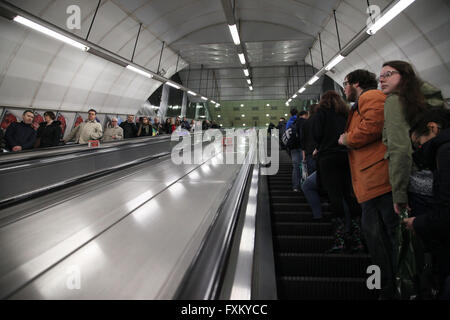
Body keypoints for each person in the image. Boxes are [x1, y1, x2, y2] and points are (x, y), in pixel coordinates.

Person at [338, 69, 398, 299]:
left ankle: (389, 288)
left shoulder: (370, 97)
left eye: (345, 84)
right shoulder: (364, 100)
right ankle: (387, 285)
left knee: (379, 237)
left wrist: (347, 138)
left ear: (356, 83)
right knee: (378, 236)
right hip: (372, 179)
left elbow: (373, 125)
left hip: (377, 181)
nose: (344, 89)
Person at [407, 108, 450, 299]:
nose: (420, 150)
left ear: (432, 128)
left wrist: (417, 223)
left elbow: (447, 210)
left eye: (419, 143)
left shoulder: (445, 152)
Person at [313, 91, 362, 253]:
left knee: (335, 197)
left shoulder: (321, 113)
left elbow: (317, 134)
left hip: (328, 157)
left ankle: (339, 241)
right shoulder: (346, 113)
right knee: (350, 195)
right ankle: (357, 239)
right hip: (347, 156)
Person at [286, 108, 302, 192]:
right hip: (301, 147)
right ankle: (303, 184)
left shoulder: (288, 123)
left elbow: (287, 135)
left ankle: (295, 186)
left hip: (292, 147)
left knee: (295, 166)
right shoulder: (300, 120)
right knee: (302, 166)